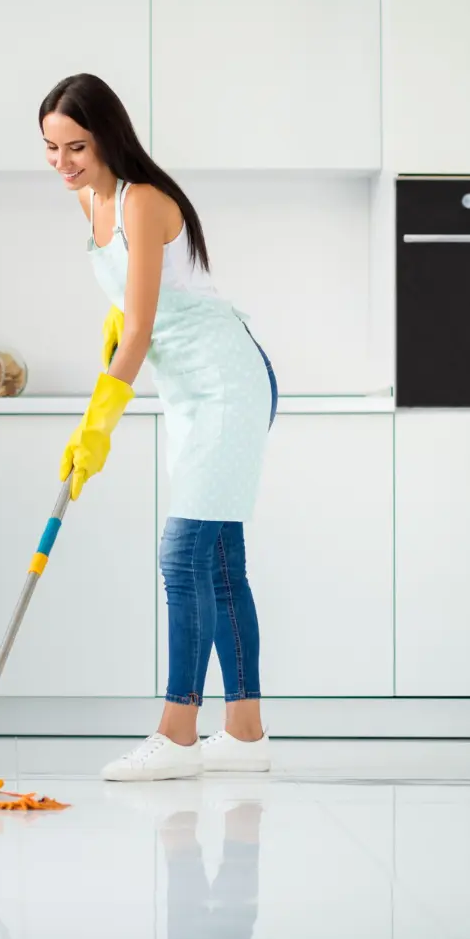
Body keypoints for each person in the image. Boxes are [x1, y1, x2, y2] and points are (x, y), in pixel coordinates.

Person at [39, 73, 278, 782]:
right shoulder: (92, 201)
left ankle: (177, 737)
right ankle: (245, 734)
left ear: (108, 135)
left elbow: (142, 325)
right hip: (189, 391)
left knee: (183, 558)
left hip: (228, 384)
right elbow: (135, 306)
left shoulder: (142, 200)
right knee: (219, 561)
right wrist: (115, 338)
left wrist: (101, 420)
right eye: (50, 149)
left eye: (75, 147)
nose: (63, 163)